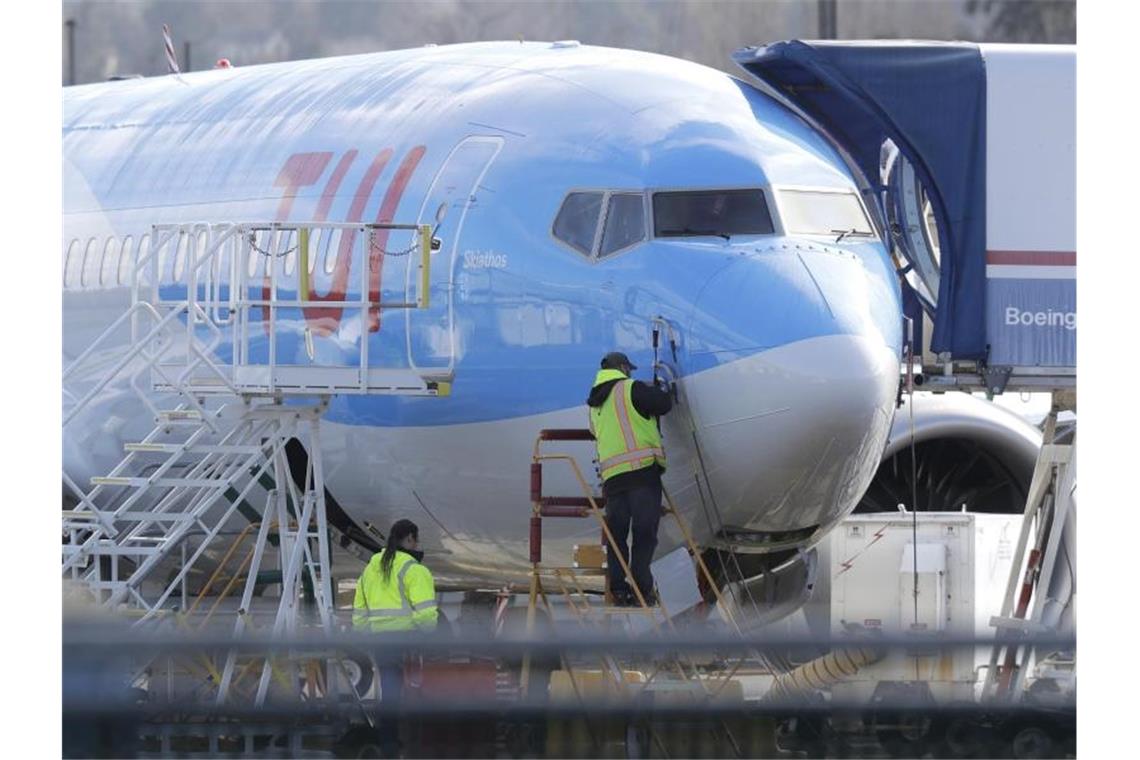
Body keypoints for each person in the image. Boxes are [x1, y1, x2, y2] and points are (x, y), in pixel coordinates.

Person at [587, 351, 673, 606]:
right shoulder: (629, 389)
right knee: (645, 531)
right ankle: (642, 586)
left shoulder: (594, 403)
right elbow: (664, 404)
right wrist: (661, 388)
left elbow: (596, 432)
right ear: (623, 368)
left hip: (612, 477)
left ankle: (618, 588)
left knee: (617, 535)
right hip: (641, 473)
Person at [353, 519, 438, 758]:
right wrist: (429, 635)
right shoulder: (413, 570)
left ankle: (389, 741)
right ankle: (404, 742)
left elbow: (359, 608)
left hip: (379, 640)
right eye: (416, 539)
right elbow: (426, 612)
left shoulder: (371, 568)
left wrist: (363, 634)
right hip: (406, 638)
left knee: (390, 690)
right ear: (410, 538)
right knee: (410, 690)